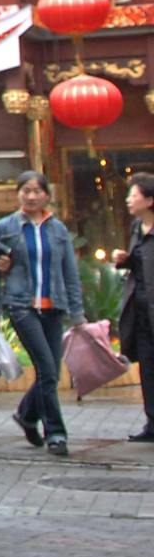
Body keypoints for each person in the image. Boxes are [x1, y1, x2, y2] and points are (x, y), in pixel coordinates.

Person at [0, 171, 85, 459]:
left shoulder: (58, 229)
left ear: (46, 195)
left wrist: (77, 313)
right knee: (48, 370)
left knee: (49, 372)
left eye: (36, 191)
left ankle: (27, 415)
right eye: (25, 191)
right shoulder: (4, 227)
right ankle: (55, 433)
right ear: (18, 194)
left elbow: (69, 272)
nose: (31, 196)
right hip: (21, 306)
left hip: (54, 307)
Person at [117, 173, 154, 443]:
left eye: (134, 195)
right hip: (139, 310)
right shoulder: (136, 228)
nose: (129, 200)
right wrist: (124, 260)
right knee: (147, 367)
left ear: (150, 200)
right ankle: (152, 423)